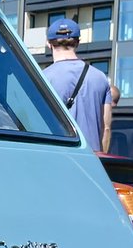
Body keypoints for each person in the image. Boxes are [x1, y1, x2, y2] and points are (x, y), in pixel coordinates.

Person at [41, 18, 112, 152]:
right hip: (91, 157)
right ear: (78, 42)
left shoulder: (42, 78)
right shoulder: (100, 77)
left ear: (49, 44)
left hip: (57, 154)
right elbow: (106, 127)